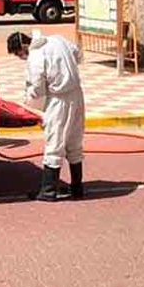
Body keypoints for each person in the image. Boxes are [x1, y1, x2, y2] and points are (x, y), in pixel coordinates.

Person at [7, 30, 85, 201]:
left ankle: (48, 191)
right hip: (77, 95)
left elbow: (37, 88)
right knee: (74, 140)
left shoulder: (35, 56)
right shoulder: (58, 39)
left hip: (59, 99)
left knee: (54, 143)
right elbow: (77, 54)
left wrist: (30, 107)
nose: (22, 58)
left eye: (19, 55)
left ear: (23, 47)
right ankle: (77, 188)